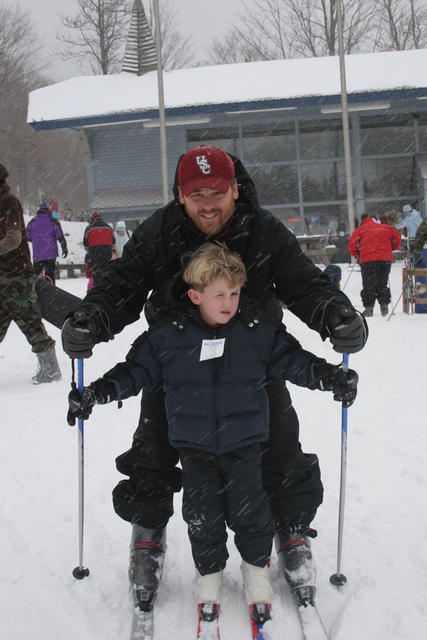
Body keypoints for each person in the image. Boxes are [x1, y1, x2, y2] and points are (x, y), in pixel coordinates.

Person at [61, 145, 368, 610]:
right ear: (181, 196)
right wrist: (91, 318)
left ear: (234, 189)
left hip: (253, 358)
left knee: (281, 442)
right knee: (154, 445)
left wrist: (336, 314)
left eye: (217, 192)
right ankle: (148, 529)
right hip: (176, 359)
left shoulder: (262, 230)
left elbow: (304, 282)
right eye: (196, 193)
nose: (208, 203)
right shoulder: (161, 231)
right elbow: (120, 285)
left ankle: (290, 527)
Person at [0, 164, 62, 384]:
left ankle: (50, 369)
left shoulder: (9, 203)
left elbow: (14, 237)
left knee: (30, 321)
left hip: (16, 277)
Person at [348, 213, 401, 317]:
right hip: (384, 260)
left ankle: (369, 308)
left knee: (368, 284)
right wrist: (390, 248)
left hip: (368, 260)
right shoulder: (386, 228)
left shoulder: (361, 229)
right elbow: (398, 239)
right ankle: (384, 305)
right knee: (382, 282)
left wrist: (356, 254)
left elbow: (352, 244)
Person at [26, 198, 68, 285]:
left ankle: (37, 294)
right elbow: (60, 236)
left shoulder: (32, 222)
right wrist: (64, 248)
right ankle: (51, 293)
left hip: (38, 254)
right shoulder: (53, 221)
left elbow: (27, 237)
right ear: (48, 210)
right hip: (51, 254)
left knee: (36, 277)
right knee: (50, 275)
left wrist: (37, 240)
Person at [83, 211, 115, 288]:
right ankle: (107, 288)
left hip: (95, 252)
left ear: (92, 219)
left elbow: (85, 243)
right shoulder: (108, 227)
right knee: (106, 271)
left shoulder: (89, 228)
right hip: (107, 252)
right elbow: (113, 241)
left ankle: (98, 289)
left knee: (96, 272)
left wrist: (90, 250)